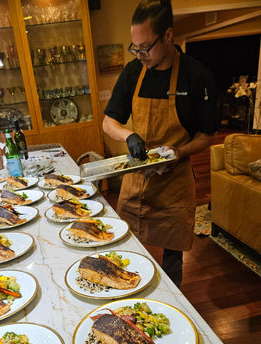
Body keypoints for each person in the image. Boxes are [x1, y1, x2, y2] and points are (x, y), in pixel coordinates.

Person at [103, 0, 220, 287]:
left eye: (145, 47)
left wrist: (181, 151)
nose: (139, 54)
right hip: (136, 183)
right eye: (135, 47)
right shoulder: (133, 72)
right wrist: (128, 135)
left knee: (171, 262)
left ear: (168, 36)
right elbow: (108, 122)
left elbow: (208, 134)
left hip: (174, 185)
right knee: (124, 252)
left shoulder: (198, 77)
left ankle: (172, 306)